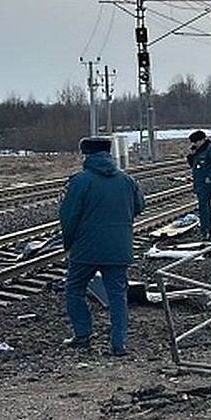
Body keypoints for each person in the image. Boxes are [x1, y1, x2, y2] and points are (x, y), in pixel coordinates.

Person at [59, 136, 145, 356]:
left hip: (86, 249)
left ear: (86, 155)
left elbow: (69, 217)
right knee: (117, 294)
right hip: (119, 248)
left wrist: (68, 244)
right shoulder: (127, 180)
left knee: (74, 290)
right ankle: (119, 343)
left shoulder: (79, 182)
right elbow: (139, 207)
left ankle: (82, 335)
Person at [186, 130, 211, 240]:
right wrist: (191, 156)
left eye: (196, 141)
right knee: (203, 207)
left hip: (206, 183)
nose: (194, 144)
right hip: (199, 182)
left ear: (203, 140)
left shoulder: (210, 150)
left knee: (204, 207)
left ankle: (206, 230)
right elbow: (194, 166)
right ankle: (206, 229)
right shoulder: (198, 151)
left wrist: (210, 177)